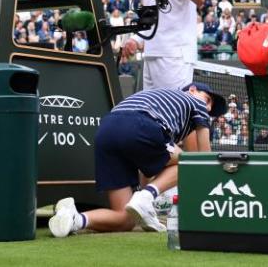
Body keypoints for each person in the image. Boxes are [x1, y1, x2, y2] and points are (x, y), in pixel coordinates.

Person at [48, 82, 222, 238]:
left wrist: (146, 204)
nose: (208, 109)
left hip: (107, 131)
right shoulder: (195, 103)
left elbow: (148, 168)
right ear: (192, 90)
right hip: (140, 124)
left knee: (125, 219)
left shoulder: (163, 105)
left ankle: (74, 219)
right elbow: (204, 158)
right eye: (207, 100)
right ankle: (146, 197)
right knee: (189, 162)